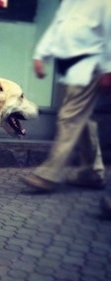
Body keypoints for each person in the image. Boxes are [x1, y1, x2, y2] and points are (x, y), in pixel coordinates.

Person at [20, 0, 111, 192]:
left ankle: (49, 175)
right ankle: (92, 173)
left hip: (90, 64)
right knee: (83, 121)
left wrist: (108, 68)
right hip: (68, 68)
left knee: (69, 119)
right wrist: (40, 55)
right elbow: (57, 27)